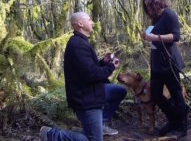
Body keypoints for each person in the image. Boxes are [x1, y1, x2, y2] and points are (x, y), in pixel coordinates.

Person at [40, 12, 127, 141]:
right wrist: (111, 67)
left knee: (120, 91)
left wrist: (103, 62)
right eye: (89, 19)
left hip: (93, 92)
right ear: (80, 24)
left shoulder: (81, 42)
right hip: (86, 99)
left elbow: (87, 68)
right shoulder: (77, 44)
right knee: (94, 139)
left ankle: (99, 124)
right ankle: (52, 135)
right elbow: (92, 74)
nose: (92, 22)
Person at [141, 0, 187, 137]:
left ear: (158, 2)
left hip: (169, 62)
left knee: (176, 95)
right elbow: (151, 37)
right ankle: (174, 120)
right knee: (156, 93)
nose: (148, 8)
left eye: (150, 4)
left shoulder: (169, 14)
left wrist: (154, 37)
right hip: (156, 64)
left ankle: (181, 128)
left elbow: (176, 36)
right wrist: (146, 35)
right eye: (146, 6)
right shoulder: (155, 20)